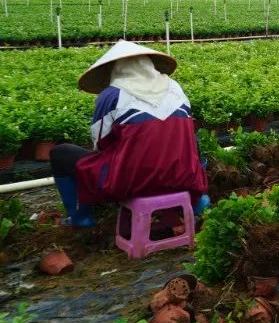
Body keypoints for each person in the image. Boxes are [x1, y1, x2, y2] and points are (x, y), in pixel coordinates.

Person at [50, 40, 208, 228]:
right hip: (184, 177)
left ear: (115, 69)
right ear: (150, 64)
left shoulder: (111, 95)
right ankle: (197, 201)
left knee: (60, 153)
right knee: (190, 143)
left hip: (131, 182)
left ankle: (81, 218)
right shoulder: (175, 88)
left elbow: (100, 144)